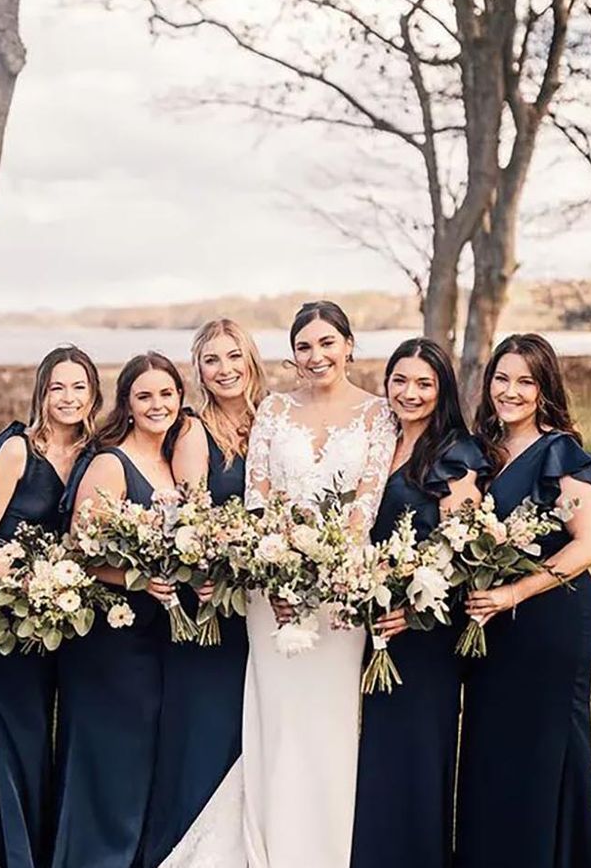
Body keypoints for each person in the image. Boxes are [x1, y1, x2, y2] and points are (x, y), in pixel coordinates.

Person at [455, 333, 591, 868]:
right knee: (493, 752)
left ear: (544, 387)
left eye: (525, 381)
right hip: (496, 629)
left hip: (550, 622)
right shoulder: (484, 451)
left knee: (547, 754)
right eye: (502, 378)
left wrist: (514, 593)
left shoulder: (559, 452)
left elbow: (589, 544)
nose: (511, 391)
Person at [243, 301, 397, 868]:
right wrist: (277, 569)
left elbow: (366, 504)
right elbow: (257, 495)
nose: (316, 356)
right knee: (280, 714)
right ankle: (271, 840)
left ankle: (326, 848)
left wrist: (329, 569)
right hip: (272, 590)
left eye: (327, 342)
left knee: (329, 716)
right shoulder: (273, 409)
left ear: (349, 345)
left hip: (341, 589)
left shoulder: (379, 413)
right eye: (304, 346)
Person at [351, 338, 488, 868]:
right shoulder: (378, 443)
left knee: (417, 752)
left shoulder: (457, 453)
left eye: (424, 383)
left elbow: (462, 549)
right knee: (378, 750)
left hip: (425, 629)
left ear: (442, 390)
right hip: (375, 620)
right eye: (400, 381)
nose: (409, 393)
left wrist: (411, 610)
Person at [0, 345, 102, 868]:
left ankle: (46, 844)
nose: (68, 398)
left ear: (93, 394)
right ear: (42, 393)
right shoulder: (17, 449)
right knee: (18, 727)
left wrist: (59, 596)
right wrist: (26, 594)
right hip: (10, 610)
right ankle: (10, 852)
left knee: (55, 728)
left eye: (78, 387)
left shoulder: (94, 454)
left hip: (66, 611)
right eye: (57, 387)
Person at [51, 352, 183, 868]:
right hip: (112, 637)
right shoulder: (111, 462)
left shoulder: (171, 461)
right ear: (126, 403)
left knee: (141, 751)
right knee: (110, 752)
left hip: (156, 632)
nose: (157, 405)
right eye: (144, 396)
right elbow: (78, 550)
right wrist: (138, 579)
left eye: (166, 394)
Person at [143, 319, 267, 868]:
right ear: (199, 370)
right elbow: (189, 524)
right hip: (212, 604)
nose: (225, 369)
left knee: (251, 725)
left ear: (251, 358)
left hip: (262, 602)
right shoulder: (195, 431)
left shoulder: (272, 420)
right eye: (212, 360)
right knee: (204, 726)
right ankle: (183, 846)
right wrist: (206, 574)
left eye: (233, 356)